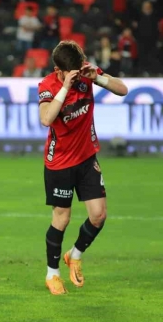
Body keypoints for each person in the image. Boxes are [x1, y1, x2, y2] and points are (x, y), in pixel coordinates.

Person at [37, 41, 129, 295]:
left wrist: (98, 78)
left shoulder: (86, 73)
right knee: (62, 218)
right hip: (60, 163)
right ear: (58, 70)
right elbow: (46, 119)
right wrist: (66, 86)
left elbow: (123, 89)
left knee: (99, 215)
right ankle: (52, 274)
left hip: (87, 157)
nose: (78, 74)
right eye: (72, 72)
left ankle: (74, 255)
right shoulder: (48, 85)